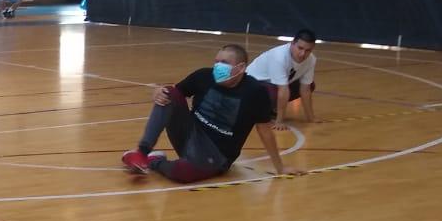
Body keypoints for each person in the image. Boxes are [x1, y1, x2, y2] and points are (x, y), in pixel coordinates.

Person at [121, 44, 298, 182]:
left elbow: (265, 131)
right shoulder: (203, 76)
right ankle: (142, 152)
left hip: (217, 154)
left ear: (241, 67)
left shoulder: (255, 92)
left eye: (224, 63)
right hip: (190, 137)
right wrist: (159, 91)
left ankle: (154, 161)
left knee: (182, 173)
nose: (218, 66)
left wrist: (280, 168)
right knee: (168, 92)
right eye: (216, 61)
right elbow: (174, 94)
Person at [247, 29, 318, 128]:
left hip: (272, 85)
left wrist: (311, 118)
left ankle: (269, 108)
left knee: (310, 85)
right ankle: (254, 109)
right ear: (292, 43)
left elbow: (305, 89)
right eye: (300, 48)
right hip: (251, 86)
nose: (302, 54)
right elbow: (283, 90)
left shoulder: (311, 60)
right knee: (275, 92)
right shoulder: (279, 57)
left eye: (308, 50)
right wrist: (279, 121)